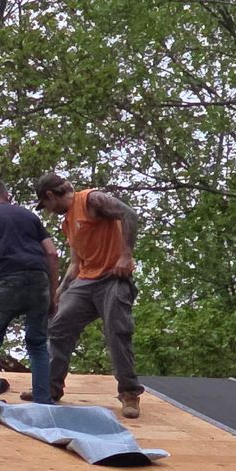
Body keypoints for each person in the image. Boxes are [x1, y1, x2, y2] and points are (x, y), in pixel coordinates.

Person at [32, 172, 142, 418]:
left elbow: (129, 214)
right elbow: (75, 264)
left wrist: (125, 255)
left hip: (113, 278)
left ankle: (129, 393)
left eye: (46, 205)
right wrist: (59, 292)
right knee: (59, 325)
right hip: (85, 281)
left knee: (117, 330)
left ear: (50, 196)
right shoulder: (68, 222)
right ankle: (49, 389)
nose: (48, 210)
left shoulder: (91, 200)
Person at [0, 178, 62, 418]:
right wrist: (52, 295)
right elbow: (52, 254)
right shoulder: (29, 217)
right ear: (8, 197)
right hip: (39, 280)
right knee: (37, 342)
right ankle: (43, 401)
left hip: (7, 280)